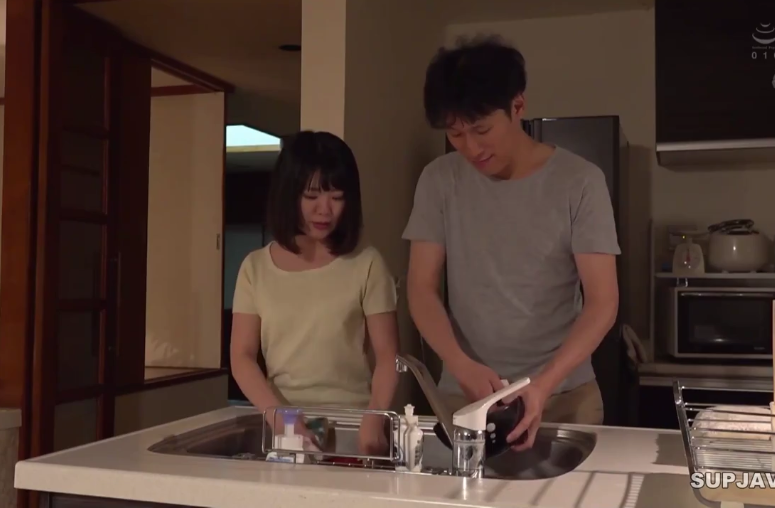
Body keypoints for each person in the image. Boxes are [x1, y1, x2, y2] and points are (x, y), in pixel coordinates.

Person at [403, 36, 620, 451]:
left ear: (518, 106)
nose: (471, 148)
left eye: (482, 129)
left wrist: (543, 384)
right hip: (466, 396)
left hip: (563, 397)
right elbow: (421, 287)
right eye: (456, 133)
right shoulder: (438, 181)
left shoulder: (580, 181)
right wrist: (459, 364)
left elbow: (602, 302)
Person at [230, 130, 399, 455]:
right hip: (283, 424)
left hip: (353, 423)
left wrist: (375, 416)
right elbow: (242, 356)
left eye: (337, 197)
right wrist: (281, 418)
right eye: (311, 196)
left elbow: (388, 355)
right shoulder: (255, 267)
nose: (325, 210)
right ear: (288, 195)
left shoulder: (367, 263)